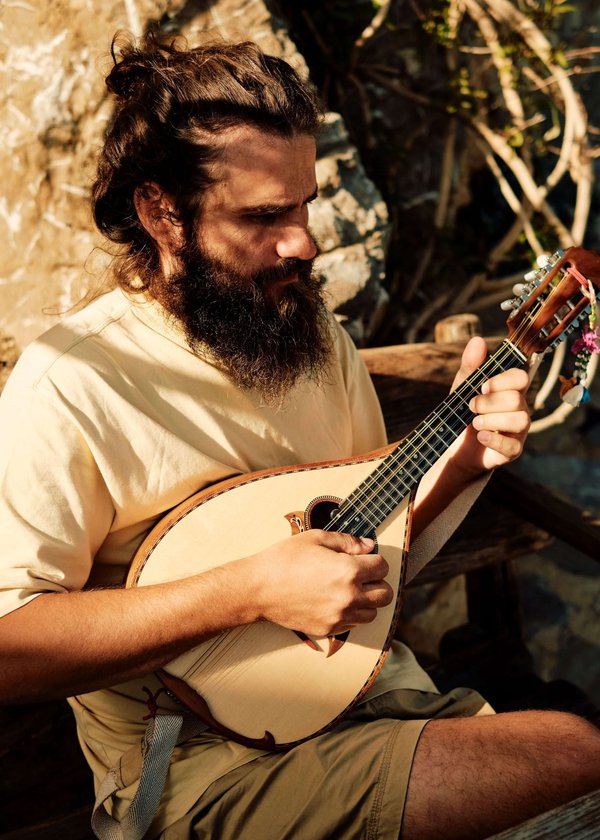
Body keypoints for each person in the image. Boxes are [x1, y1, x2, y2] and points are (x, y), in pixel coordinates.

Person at [0, 33, 598, 840]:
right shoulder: (74, 382)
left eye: (306, 203)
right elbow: (10, 646)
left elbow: (360, 556)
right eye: (263, 215)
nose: (304, 242)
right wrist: (247, 588)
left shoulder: (309, 332)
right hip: (203, 770)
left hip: (367, 700)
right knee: (570, 753)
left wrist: (461, 459)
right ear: (159, 213)